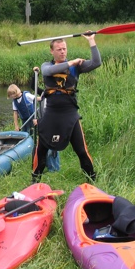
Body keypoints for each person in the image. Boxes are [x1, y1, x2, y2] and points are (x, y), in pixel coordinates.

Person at [32, 32, 101, 184]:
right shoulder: (47, 66)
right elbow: (48, 72)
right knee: (41, 151)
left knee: (82, 151)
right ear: (52, 51)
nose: (62, 51)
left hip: (70, 114)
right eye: (59, 49)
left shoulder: (77, 67)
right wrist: (72, 62)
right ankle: (34, 183)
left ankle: (92, 182)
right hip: (51, 115)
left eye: (64, 48)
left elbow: (96, 62)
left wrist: (91, 41)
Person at [7, 83, 60, 172]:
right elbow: (15, 113)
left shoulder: (26, 95)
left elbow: (38, 99)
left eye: (11, 95)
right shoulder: (14, 101)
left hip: (33, 119)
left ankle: (42, 159)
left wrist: (45, 98)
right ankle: (30, 153)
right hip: (25, 121)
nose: (11, 97)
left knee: (37, 137)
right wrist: (16, 125)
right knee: (27, 137)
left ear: (15, 92)